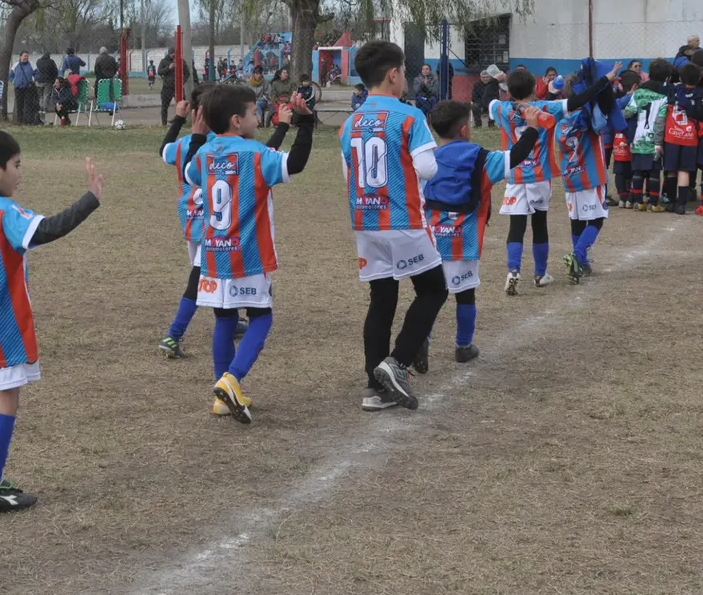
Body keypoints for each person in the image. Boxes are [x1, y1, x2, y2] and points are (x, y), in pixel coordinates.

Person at [0, 129, 103, 513]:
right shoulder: (1, 211)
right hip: (2, 316)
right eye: (16, 166)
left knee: (1, 384)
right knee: (9, 394)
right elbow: (47, 229)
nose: (19, 174)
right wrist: (91, 199)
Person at [181, 86, 315, 423]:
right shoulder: (255, 154)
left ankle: (222, 396)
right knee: (261, 317)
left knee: (225, 319)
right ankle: (231, 378)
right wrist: (305, 123)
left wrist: (198, 137)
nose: (259, 119)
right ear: (238, 120)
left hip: (214, 253)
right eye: (255, 113)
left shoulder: (205, 154)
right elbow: (295, 163)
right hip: (249, 254)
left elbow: (188, 173)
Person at [339, 40, 447, 412]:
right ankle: (397, 361)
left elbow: (348, 172)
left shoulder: (350, 122)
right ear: (392, 75)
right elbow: (428, 168)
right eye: (404, 73)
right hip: (402, 219)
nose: (406, 79)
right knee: (434, 290)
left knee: (382, 299)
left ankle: (374, 387)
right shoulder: (408, 116)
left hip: (365, 220)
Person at [157, 83, 297, 361]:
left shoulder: (188, 144)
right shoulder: (230, 145)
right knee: (200, 282)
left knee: (208, 283)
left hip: (192, 221)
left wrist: (177, 120)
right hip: (218, 227)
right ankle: (174, 333)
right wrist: (283, 128)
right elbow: (261, 157)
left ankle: (226, 320)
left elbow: (164, 151)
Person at [424, 100, 540, 364]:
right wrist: (532, 129)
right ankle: (463, 346)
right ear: (464, 129)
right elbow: (517, 154)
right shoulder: (480, 156)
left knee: (430, 294)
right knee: (465, 293)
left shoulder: (425, 158)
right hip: (463, 238)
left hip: (430, 238)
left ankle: (422, 340)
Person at [489, 62, 616, 295]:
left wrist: (504, 87)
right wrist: (605, 79)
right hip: (539, 176)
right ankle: (540, 274)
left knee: (516, 227)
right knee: (539, 225)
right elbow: (578, 101)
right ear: (534, 87)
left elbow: (493, 102)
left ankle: (513, 270)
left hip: (515, 176)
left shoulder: (501, 109)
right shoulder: (544, 107)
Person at [556, 73, 618, 283]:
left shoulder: (559, 120)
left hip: (571, 176)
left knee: (577, 221)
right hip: (592, 175)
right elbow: (607, 114)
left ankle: (581, 262)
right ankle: (578, 255)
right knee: (597, 219)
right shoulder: (591, 116)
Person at [623, 58, 673, 212]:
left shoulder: (638, 93)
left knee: (637, 171)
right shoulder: (663, 98)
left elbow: (628, 112)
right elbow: (659, 122)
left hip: (638, 137)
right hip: (653, 140)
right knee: (654, 172)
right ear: (666, 77)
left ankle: (638, 202)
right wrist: (658, 143)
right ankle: (653, 202)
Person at [660, 63, 702, 214]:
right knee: (684, 170)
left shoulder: (674, 90)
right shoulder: (699, 93)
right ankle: (682, 204)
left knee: (671, 170)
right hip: (690, 138)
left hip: (672, 136)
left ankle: (671, 201)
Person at [611, 70, 640, 208]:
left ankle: (622, 197)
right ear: (635, 86)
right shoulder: (636, 99)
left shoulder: (617, 101)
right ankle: (629, 196)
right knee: (631, 169)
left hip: (618, 137)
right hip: (631, 137)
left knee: (619, 170)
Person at [158, 47, 189, 126]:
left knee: (182, 105)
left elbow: (187, 73)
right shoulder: (164, 61)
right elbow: (159, 72)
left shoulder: (181, 61)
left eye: (175, 53)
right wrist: (168, 68)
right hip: (167, 87)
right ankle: (164, 123)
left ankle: (180, 121)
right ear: (169, 53)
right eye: (172, 53)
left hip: (178, 87)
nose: (174, 55)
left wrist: (182, 82)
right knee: (165, 105)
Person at [10, 51, 38, 126]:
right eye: (24, 56)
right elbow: (11, 75)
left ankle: (28, 121)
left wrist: (33, 79)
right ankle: (20, 121)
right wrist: (14, 82)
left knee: (28, 104)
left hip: (28, 88)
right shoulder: (16, 65)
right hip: (18, 88)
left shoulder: (32, 64)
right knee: (19, 105)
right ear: (20, 56)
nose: (26, 57)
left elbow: (36, 73)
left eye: (27, 56)